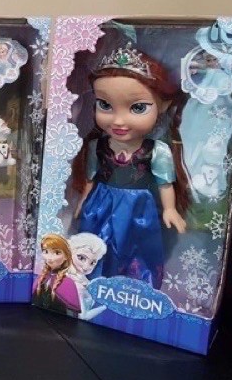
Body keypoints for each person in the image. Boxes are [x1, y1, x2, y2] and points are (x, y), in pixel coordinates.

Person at [71, 44, 189, 289]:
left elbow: (165, 183)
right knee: (96, 242)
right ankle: (93, 283)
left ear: (163, 105)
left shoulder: (157, 151)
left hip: (138, 208)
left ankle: (131, 289)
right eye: (105, 105)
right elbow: (90, 177)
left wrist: (169, 209)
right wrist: (82, 201)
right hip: (101, 203)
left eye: (137, 107)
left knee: (134, 247)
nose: (118, 120)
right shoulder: (96, 146)